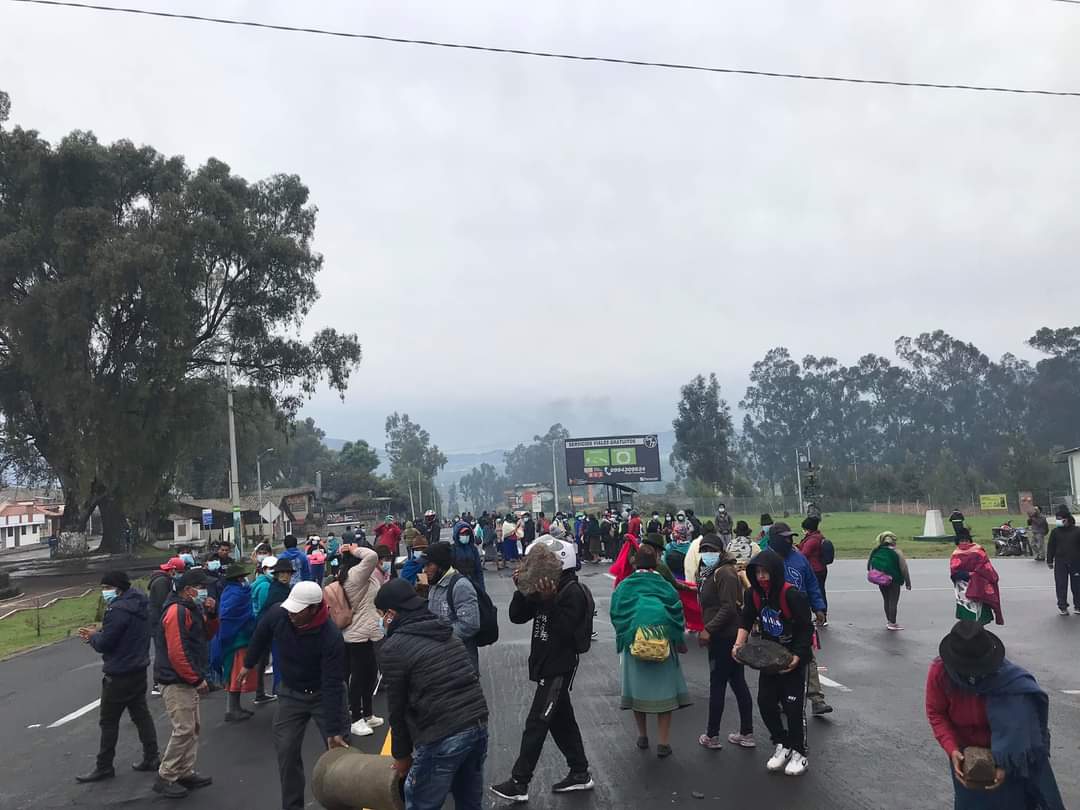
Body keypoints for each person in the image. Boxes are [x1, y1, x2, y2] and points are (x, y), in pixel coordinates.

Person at [491, 534, 593, 801]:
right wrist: (522, 589)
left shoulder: (572, 592)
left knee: (536, 723)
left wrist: (548, 601)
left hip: (558, 667)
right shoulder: (548, 586)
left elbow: (566, 633)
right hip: (545, 663)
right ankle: (580, 772)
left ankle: (519, 782)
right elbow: (517, 616)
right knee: (562, 722)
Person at [926, 621, 1065, 810]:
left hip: (1009, 754)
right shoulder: (940, 674)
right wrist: (952, 750)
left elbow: (1021, 729)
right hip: (965, 758)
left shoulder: (1011, 682)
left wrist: (1004, 765)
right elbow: (936, 713)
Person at [376, 579, 489, 810]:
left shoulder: (394, 647)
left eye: (380, 614)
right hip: (477, 724)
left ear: (390, 614)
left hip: (443, 733)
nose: (380, 620)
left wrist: (402, 756)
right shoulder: (444, 630)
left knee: (421, 802)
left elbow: (397, 709)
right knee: (469, 802)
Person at [240, 581, 349, 810]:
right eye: (290, 608)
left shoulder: (331, 637)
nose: (291, 614)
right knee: (286, 752)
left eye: (297, 610)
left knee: (339, 756)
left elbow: (332, 685)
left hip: (323, 693)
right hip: (291, 694)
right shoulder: (280, 615)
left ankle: (344, 805)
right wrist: (248, 664)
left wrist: (334, 730)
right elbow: (260, 634)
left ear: (313, 609)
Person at [732, 548, 814, 777]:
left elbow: (807, 628)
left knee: (793, 708)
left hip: (794, 661)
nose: (761, 577)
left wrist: (797, 656)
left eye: (766, 572)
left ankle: (800, 752)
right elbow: (746, 618)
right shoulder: (754, 595)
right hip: (769, 660)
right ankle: (783, 744)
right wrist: (738, 645)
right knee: (766, 703)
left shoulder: (792, 595)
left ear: (776, 572)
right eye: (757, 572)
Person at [75, 571, 159, 784]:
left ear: (117, 588)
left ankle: (104, 766)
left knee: (108, 721)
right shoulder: (140, 604)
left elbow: (106, 643)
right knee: (141, 715)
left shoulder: (117, 610)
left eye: (106, 588)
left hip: (119, 672)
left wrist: (94, 637)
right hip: (139, 668)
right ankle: (152, 756)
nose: (104, 593)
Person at [609, 544, 690, 758]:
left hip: (634, 643)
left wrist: (628, 634)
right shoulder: (664, 585)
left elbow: (616, 614)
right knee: (665, 696)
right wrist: (677, 640)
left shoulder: (625, 586)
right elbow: (677, 612)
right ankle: (663, 742)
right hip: (663, 642)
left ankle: (642, 735)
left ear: (635, 564)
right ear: (655, 564)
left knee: (637, 694)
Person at [153, 568, 218, 799]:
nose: (205, 591)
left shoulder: (192, 609)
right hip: (175, 679)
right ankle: (166, 775)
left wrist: (211, 615)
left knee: (193, 727)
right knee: (184, 729)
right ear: (189, 590)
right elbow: (177, 651)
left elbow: (205, 636)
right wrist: (196, 678)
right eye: (201, 587)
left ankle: (184, 771)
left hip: (184, 677)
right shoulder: (176, 612)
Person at [764, 522, 831, 716]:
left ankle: (817, 699)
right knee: (777, 659)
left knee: (807, 657)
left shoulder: (800, 559)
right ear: (774, 539)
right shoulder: (765, 560)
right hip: (775, 619)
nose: (789, 541)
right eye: (784, 538)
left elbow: (811, 584)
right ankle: (779, 698)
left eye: (790, 537)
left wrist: (818, 607)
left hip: (800, 618)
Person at [696, 537, 755, 751]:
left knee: (719, 683)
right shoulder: (712, 572)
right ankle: (746, 733)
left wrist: (708, 629)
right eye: (703, 550)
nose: (706, 554)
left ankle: (712, 734)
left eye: (710, 550)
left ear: (720, 551)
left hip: (724, 636)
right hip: (725, 634)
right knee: (737, 682)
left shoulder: (725, 573)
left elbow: (728, 608)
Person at [341, 543, 388, 737]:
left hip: (371, 631)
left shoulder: (365, 577)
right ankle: (355, 718)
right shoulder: (354, 575)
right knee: (358, 677)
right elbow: (372, 556)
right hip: (356, 634)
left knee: (370, 674)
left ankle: (368, 714)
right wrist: (355, 549)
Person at [210, 563, 258, 721]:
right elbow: (228, 616)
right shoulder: (236, 593)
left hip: (236, 637)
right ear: (238, 578)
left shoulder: (231, 591)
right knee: (235, 675)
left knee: (235, 674)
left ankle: (235, 708)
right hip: (235, 640)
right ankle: (232, 710)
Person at [424, 541, 481, 671]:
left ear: (441, 566)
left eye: (429, 565)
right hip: (440, 659)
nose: (425, 570)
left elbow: (469, 625)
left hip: (460, 662)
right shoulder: (434, 584)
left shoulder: (461, 586)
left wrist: (439, 635)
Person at [147, 556, 186, 696]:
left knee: (164, 650)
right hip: (159, 622)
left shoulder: (162, 580)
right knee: (162, 651)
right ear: (173, 571)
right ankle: (158, 683)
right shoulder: (163, 582)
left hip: (157, 621)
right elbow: (165, 603)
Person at [951, 528, 1003, 625]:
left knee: (980, 611)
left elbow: (986, 566)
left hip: (979, 584)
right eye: (961, 541)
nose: (964, 543)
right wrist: (968, 575)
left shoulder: (978, 551)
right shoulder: (956, 554)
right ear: (958, 542)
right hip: (963, 587)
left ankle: (980, 629)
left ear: (969, 540)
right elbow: (954, 573)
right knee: (967, 612)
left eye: (966, 540)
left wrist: (976, 574)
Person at [249, 555, 280, 705]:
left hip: (259, 625)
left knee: (262, 660)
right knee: (262, 660)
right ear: (265, 569)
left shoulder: (261, 582)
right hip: (263, 626)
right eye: (271, 568)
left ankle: (260, 691)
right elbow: (265, 608)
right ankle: (259, 692)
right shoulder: (265, 586)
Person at [867, 531, 912, 630]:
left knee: (886, 600)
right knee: (893, 601)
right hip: (894, 580)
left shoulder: (876, 550)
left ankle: (889, 621)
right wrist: (908, 582)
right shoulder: (897, 552)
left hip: (881, 580)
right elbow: (904, 568)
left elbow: (869, 565)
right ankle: (892, 623)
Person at [1046, 508, 1080, 616]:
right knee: (1061, 585)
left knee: (1077, 585)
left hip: (1076, 562)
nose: (1058, 521)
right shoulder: (1055, 532)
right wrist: (1050, 560)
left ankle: (1078, 605)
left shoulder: (1077, 531)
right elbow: (1051, 546)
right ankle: (1063, 606)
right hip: (1061, 562)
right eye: (1057, 519)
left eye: (1060, 519)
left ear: (1067, 519)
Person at [798, 516, 830, 621]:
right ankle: (821, 614)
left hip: (816, 570)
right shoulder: (817, 536)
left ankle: (822, 615)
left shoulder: (812, 540)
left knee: (817, 592)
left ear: (808, 529)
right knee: (820, 591)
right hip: (820, 569)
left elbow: (804, 554)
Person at [451, 523, 486, 593]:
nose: (465, 536)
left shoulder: (473, 549)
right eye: (462, 534)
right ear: (457, 535)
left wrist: (482, 588)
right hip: (457, 585)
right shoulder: (452, 549)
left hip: (473, 583)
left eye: (467, 534)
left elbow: (479, 570)